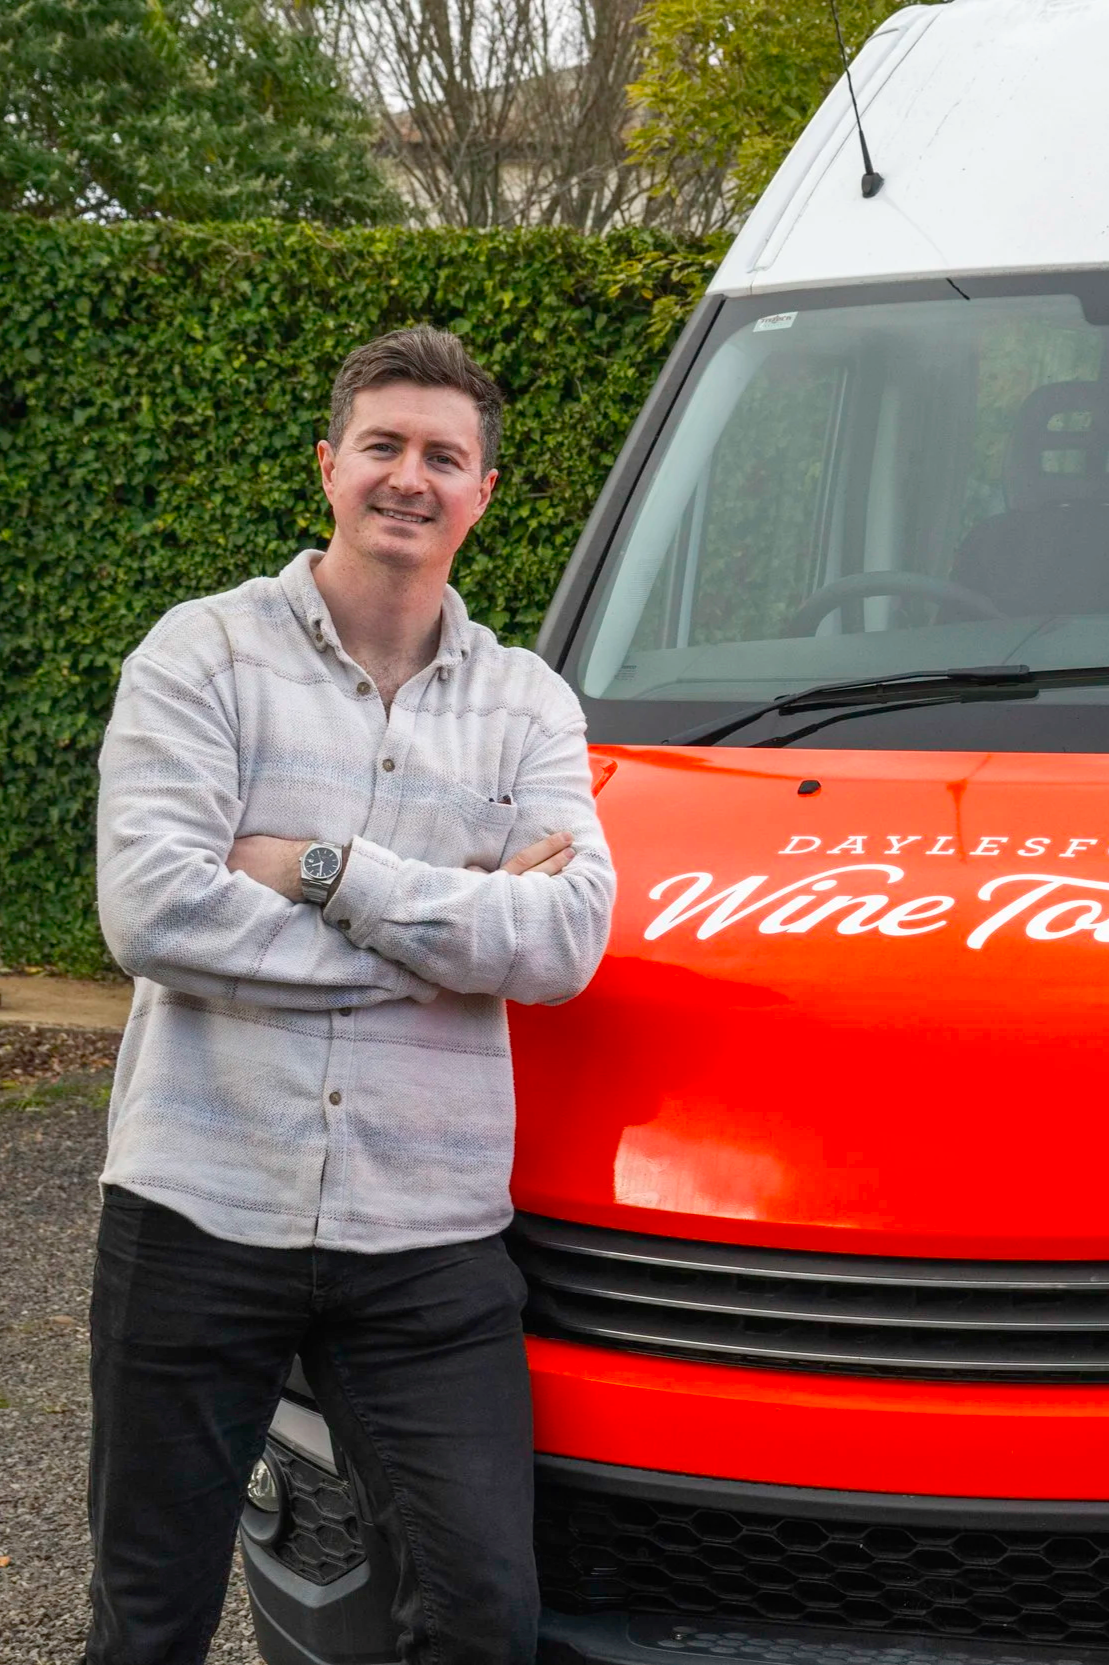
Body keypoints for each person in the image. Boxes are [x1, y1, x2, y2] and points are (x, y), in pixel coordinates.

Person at [86, 326, 616, 1664]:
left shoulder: (527, 706)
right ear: (330, 465)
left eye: (444, 455)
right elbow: (154, 908)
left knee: (486, 1613)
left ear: (484, 492)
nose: (409, 477)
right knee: (147, 1619)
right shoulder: (199, 657)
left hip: (424, 1238)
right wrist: (448, 931)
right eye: (383, 445)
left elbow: (561, 944)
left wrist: (322, 869)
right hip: (200, 1209)